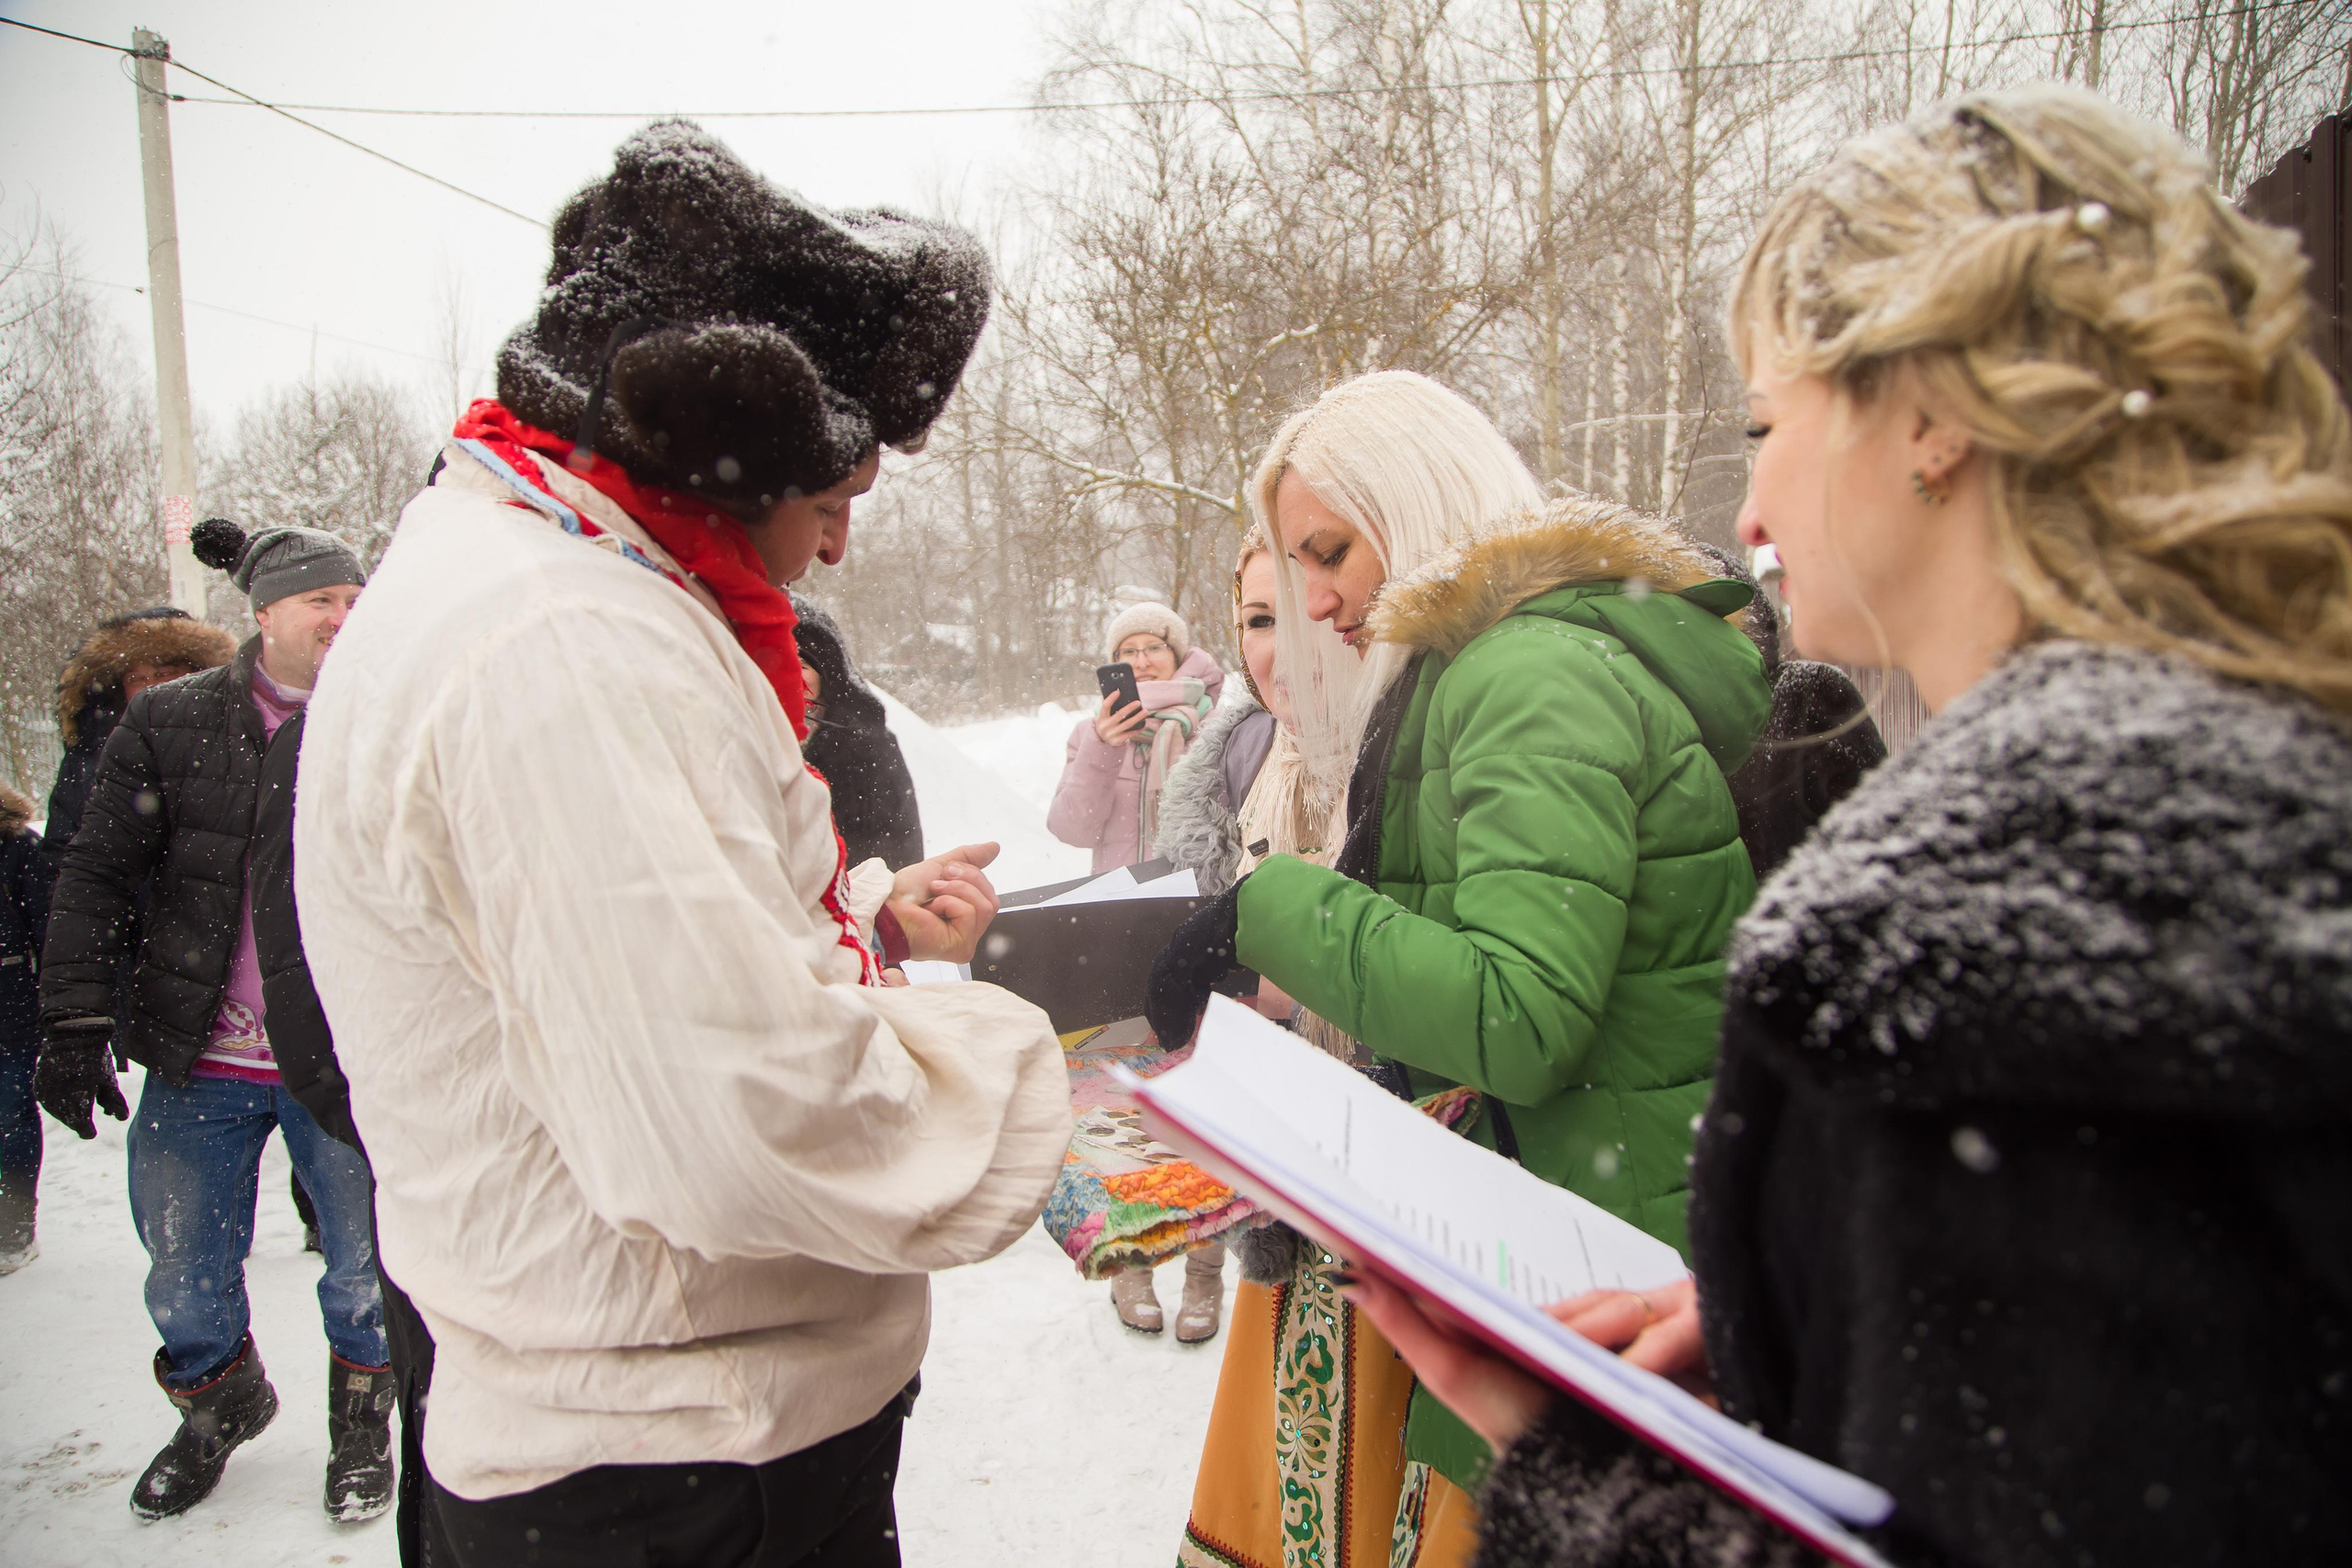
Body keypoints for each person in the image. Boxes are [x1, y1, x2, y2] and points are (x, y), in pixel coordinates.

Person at [1343, 85, 2352, 1567]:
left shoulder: (1954, 958)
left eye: (1769, 418)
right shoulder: (2264, 820)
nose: (1747, 500)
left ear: (1934, 417)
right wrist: (1805, 1340)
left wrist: (1572, 1480)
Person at [293, 121, 1070, 1566]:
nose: (833, 550)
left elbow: (671, 957)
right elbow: (738, 1110)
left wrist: (855, 932)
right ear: (725, 459)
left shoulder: (551, 582)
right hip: (675, 1472)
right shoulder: (567, 644)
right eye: (830, 502)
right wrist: (1053, 1090)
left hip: (662, 1439)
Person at [1150, 370, 1774, 1562]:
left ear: (1422, 498)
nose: (1310, 593)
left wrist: (1270, 907)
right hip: (1600, 1236)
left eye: (1330, 547)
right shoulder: (1484, 668)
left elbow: (1520, 1012)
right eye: (1288, 561)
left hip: (1612, 1257)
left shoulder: (1525, 673)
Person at [35, 519, 390, 1524]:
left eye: (355, 598)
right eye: (321, 598)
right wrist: (71, 1018)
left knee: (365, 1263)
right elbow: (99, 871)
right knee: (184, 1268)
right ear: (264, 610)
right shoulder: (173, 721)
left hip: (343, 1057)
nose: (342, 616)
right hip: (202, 1055)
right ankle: (219, 1401)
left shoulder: (384, 717)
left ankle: (364, 1420)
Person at [1048, 603, 1226, 872]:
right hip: (1116, 903)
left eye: (1155, 647)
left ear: (1177, 656)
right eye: (1129, 651)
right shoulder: (1089, 733)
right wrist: (1104, 747)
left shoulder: (1215, 730)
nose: (1142, 662)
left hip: (1197, 899)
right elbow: (1072, 830)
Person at [793, 592, 925, 869]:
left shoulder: (865, 749)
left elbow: (898, 862)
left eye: (802, 664)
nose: (788, 673)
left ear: (828, 674)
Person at [0, 782, 45, 1272]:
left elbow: (48, 926)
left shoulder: (18, 846)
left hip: (8, 1008)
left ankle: (14, 1227)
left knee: (10, 1113)